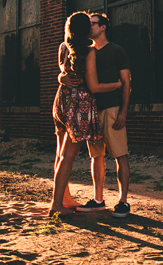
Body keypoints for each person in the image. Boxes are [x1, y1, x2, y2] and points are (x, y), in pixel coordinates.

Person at [49, 12, 121, 216]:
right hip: (77, 106)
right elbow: (94, 86)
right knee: (67, 157)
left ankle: (62, 199)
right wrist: (118, 84)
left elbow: (62, 72)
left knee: (60, 154)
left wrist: (61, 78)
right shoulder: (88, 52)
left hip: (60, 102)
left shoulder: (64, 47)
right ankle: (56, 206)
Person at [71, 13, 132, 218]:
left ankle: (123, 202)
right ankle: (98, 200)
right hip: (91, 112)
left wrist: (123, 111)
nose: (89, 27)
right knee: (96, 157)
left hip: (112, 109)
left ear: (103, 27)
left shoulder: (116, 50)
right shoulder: (87, 52)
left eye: (93, 24)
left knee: (119, 155)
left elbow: (126, 83)